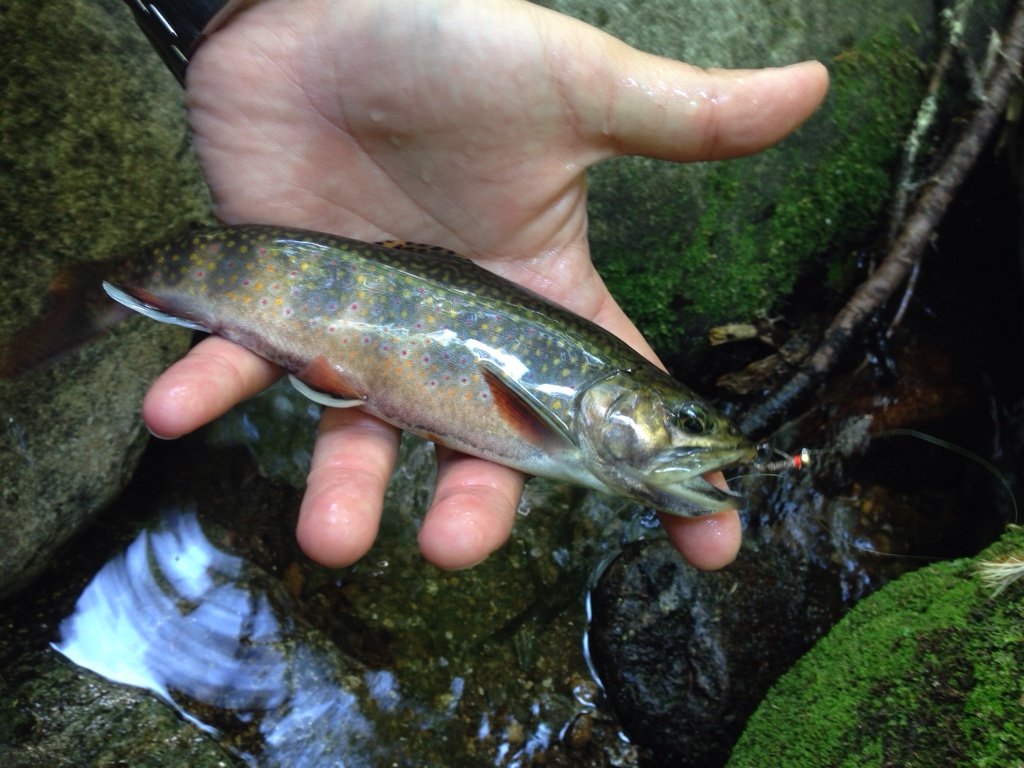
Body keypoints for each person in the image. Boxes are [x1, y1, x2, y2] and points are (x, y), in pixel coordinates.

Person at [141, 0, 829, 571]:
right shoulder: (558, 428)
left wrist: (239, 17)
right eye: (687, 423)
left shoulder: (576, 428)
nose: (698, 442)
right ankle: (111, 288)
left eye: (692, 425)